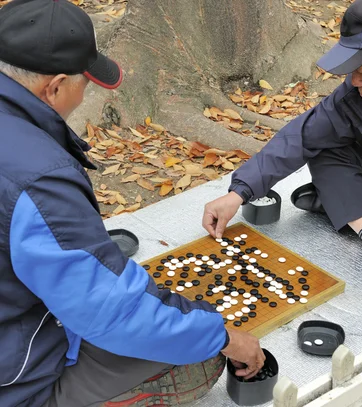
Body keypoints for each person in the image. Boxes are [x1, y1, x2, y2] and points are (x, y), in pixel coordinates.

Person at [0, 1, 265, 407]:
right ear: (53, 87)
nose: (84, 93)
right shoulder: (39, 178)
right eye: (84, 84)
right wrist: (224, 337)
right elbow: (110, 311)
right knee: (199, 353)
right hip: (14, 376)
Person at [203, 0, 362, 300]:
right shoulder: (359, 88)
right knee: (323, 146)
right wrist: (239, 192)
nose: (353, 81)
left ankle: (351, 213)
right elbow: (304, 135)